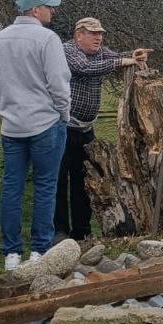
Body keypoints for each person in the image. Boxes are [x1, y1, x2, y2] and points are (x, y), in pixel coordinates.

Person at [0, 0, 70, 270]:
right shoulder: (47, 38)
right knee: (46, 185)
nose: (52, 11)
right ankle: (39, 249)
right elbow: (58, 82)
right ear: (35, 10)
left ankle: (11, 252)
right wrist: (63, 113)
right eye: (48, 7)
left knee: (12, 186)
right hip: (45, 122)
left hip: (12, 125)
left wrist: (3, 109)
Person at [55, 17, 149, 241]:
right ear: (79, 34)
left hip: (86, 129)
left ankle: (82, 231)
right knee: (59, 180)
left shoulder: (99, 52)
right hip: (63, 127)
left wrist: (133, 55)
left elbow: (116, 56)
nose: (98, 37)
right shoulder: (67, 50)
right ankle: (59, 231)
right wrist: (123, 62)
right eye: (92, 33)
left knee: (85, 180)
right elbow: (84, 68)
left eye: (100, 34)